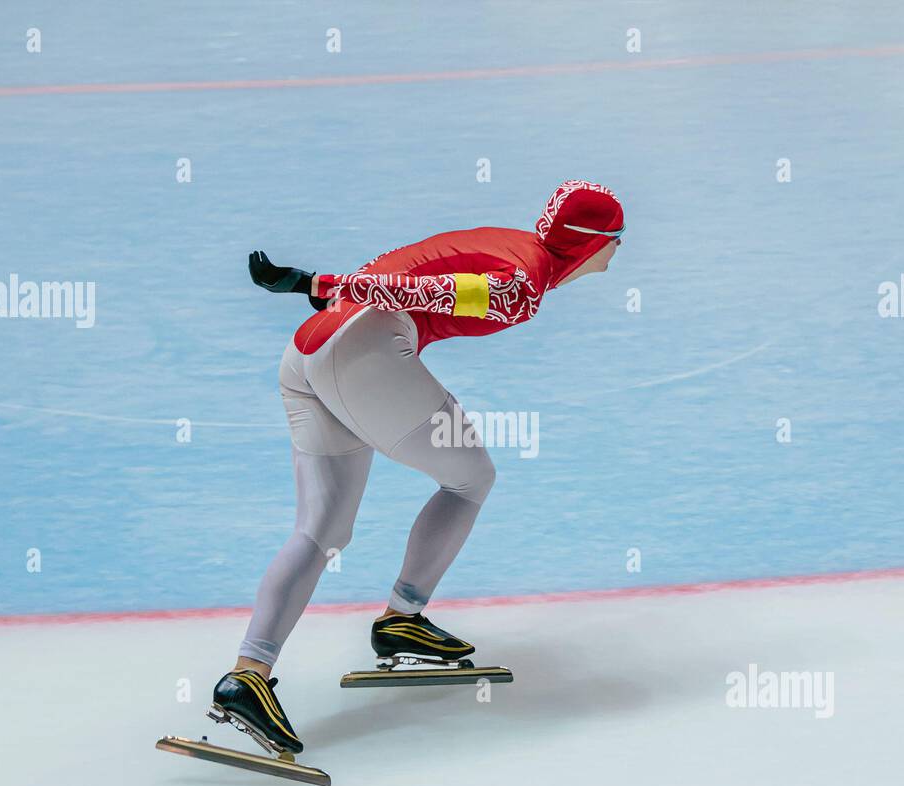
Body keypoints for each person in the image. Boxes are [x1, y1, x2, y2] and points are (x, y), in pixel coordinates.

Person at [208, 180, 625, 756]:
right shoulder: (522, 285)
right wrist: (316, 282)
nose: (619, 250)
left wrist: (326, 293)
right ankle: (401, 617)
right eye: (616, 239)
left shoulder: (512, 245)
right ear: (589, 244)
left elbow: (408, 270)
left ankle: (247, 675)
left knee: (322, 529)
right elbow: (428, 287)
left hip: (309, 350)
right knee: (472, 477)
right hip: (361, 352)